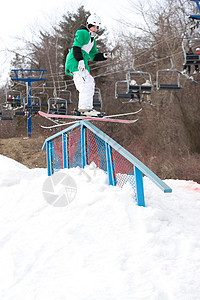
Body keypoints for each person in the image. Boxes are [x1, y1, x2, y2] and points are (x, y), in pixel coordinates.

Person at [65, 13, 111, 117]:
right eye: (93, 26)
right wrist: (80, 60)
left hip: (82, 62)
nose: (95, 29)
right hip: (75, 61)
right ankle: (84, 109)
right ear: (88, 25)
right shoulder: (82, 32)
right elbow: (76, 47)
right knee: (86, 83)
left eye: (97, 27)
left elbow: (94, 55)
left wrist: (105, 55)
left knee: (89, 82)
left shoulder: (92, 40)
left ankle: (87, 108)